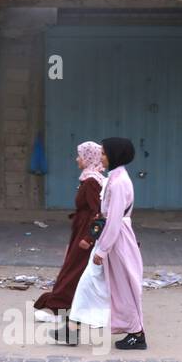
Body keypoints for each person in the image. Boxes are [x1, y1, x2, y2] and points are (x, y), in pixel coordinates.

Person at [35, 140, 105, 345]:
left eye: (80, 156)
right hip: (81, 230)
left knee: (74, 270)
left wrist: (88, 237)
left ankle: (60, 308)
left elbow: (97, 212)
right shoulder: (91, 178)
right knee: (75, 269)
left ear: (88, 158)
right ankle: (64, 309)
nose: (77, 159)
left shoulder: (92, 181)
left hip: (85, 232)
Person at [94, 137, 146, 350]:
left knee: (125, 287)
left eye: (104, 153)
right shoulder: (117, 179)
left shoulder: (118, 182)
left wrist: (102, 249)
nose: (101, 157)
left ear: (115, 155)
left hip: (117, 239)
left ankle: (137, 333)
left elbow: (114, 219)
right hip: (117, 236)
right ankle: (133, 331)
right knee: (121, 286)